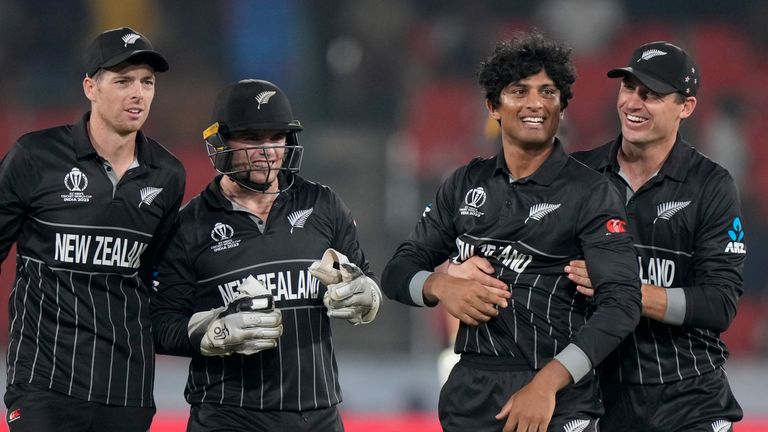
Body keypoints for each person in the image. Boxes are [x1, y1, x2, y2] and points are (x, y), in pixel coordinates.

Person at [381, 31, 642, 432]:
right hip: (470, 394)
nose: (535, 103)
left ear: (562, 106)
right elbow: (397, 272)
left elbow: (623, 304)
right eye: (519, 91)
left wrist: (547, 384)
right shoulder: (464, 183)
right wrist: (441, 285)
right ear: (493, 106)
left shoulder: (591, 193)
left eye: (549, 92)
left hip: (558, 397)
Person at [150, 79, 381, 432]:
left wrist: (366, 296)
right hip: (228, 416)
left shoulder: (323, 205)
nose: (268, 150)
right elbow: (161, 324)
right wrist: (212, 333)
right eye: (252, 139)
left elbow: (363, 279)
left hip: (318, 414)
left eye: (276, 137)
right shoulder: (188, 226)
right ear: (221, 142)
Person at [0, 27, 185, 431]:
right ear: (90, 87)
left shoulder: (169, 174)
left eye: (147, 82)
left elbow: (157, 276)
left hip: (126, 388)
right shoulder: (35, 157)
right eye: (123, 81)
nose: (138, 93)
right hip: (43, 383)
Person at [568, 41, 744, 432]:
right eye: (628, 88)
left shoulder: (711, 186)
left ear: (686, 107)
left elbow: (719, 303)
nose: (633, 102)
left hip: (690, 395)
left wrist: (622, 289)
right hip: (597, 394)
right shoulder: (577, 174)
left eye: (651, 95)